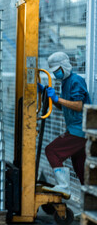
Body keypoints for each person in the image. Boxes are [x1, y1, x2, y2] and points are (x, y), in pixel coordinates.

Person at [37, 52, 91, 199]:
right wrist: (49, 97)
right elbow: (64, 107)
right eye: (54, 72)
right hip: (77, 129)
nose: (56, 74)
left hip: (79, 129)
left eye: (58, 70)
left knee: (52, 151)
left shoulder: (76, 80)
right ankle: (90, 205)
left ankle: (64, 187)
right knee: (81, 170)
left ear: (66, 66)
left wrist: (57, 98)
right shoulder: (65, 83)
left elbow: (79, 105)